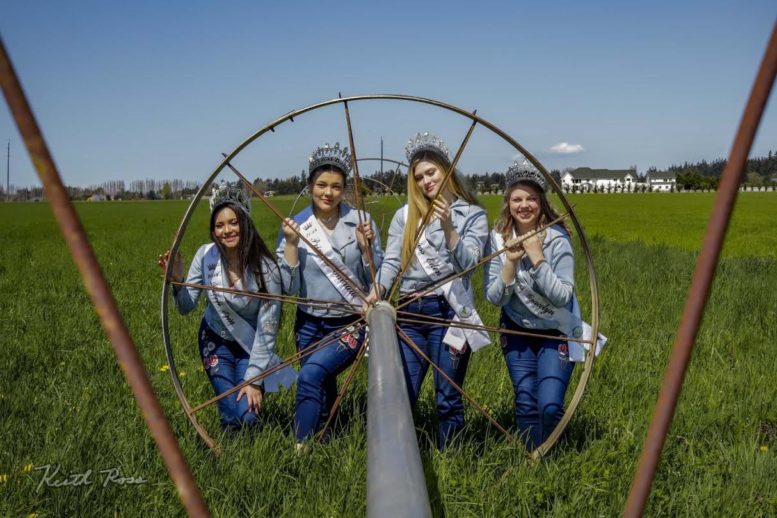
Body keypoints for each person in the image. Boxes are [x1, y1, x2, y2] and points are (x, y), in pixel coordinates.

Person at [368, 132, 490, 450]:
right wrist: (377, 290)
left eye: (431, 173)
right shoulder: (405, 216)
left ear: (446, 170)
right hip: (409, 314)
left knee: (447, 396)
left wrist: (449, 228)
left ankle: (452, 461)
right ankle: (397, 460)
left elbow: (469, 264)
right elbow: (392, 260)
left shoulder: (473, 215)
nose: (426, 181)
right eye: (419, 177)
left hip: (449, 314)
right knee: (401, 394)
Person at [158, 182, 297, 430]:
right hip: (215, 341)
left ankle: (253, 456)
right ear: (213, 231)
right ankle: (229, 456)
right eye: (219, 225)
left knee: (248, 415)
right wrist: (177, 281)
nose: (227, 230)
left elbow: (268, 328)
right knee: (230, 413)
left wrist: (254, 380)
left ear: (245, 223)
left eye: (233, 222)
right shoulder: (206, 255)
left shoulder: (265, 268)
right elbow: (186, 306)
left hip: (251, 346)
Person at [277, 142, 383, 447]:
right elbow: (289, 289)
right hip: (309, 323)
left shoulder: (360, 222)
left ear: (344, 189)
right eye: (321, 184)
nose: (328, 193)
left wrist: (366, 250)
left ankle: (301, 448)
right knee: (322, 386)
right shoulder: (295, 226)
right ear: (310, 185)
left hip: (348, 322)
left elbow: (376, 278)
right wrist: (292, 246)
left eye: (336, 187)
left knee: (310, 375)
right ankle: (327, 441)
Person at [483, 159, 576, 450]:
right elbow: (494, 297)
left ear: (541, 202)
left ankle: (552, 455)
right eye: (517, 199)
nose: (524, 205)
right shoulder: (498, 240)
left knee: (549, 405)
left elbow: (563, 297)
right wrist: (509, 263)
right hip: (516, 330)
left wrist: (537, 258)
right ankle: (531, 459)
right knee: (525, 400)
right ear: (508, 203)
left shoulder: (557, 240)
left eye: (531, 198)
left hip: (555, 330)